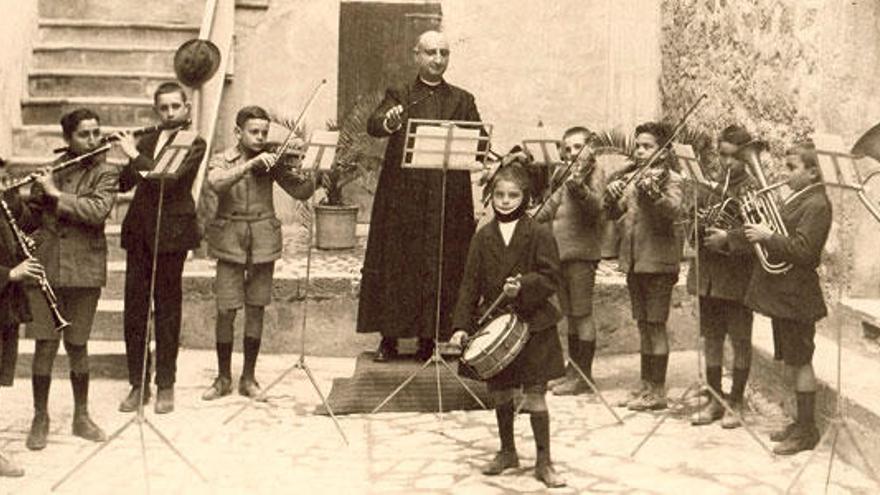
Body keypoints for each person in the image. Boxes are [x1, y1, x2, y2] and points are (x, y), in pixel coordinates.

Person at [358, 30, 482, 362]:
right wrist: (389, 120)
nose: (438, 59)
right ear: (416, 55)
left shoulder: (463, 99)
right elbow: (374, 124)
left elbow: (478, 142)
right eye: (430, 53)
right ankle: (390, 338)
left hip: (447, 199)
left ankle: (431, 339)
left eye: (444, 53)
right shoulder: (399, 93)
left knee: (442, 263)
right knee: (398, 263)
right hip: (404, 198)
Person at [450, 164, 566, 488]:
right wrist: (460, 326)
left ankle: (544, 461)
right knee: (501, 393)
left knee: (536, 395)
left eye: (513, 195)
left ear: (525, 197)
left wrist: (525, 286)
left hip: (535, 325)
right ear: (491, 197)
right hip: (497, 326)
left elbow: (552, 277)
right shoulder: (483, 236)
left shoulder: (539, 232)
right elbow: (469, 285)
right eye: (499, 194)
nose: (505, 201)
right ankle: (507, 451)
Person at [201, 105, 314, 401]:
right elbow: (215, 183)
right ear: (238, 132)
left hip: (263, 239)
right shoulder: (221, 159)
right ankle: (223, 377)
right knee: (226, 310)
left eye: (264, 132)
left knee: (256, 308)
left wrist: (315, 170)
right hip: (229, 239)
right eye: (254, 132)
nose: (261, 138)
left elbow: (300, 192)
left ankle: (248, 378)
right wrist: (250, 165)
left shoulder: (273, 162)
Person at [20, 109, 117, 451]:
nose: (93, 140)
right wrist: (21, 199)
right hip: (46, 265)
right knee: (44, 344)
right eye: (84, 134)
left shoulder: (106, 171)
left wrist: (55, 193)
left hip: (84, 268)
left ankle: (81, 416)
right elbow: (29, 217)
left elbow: (96, 212)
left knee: (77, 344)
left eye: (95, 133)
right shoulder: (53, 169)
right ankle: (40, 417)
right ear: (67, 139)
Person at [115, 81, 206, 414]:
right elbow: (126, 182)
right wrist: (117, 155)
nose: (169, 113)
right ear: (157, 110)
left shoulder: (193, 141)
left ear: (186, 108)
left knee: (167, 310)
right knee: (135, 311)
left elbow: (167, 180)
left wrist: (134, 155)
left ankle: (165, 384)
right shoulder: (150, 139)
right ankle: (138, 384)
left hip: (172, 235)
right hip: (139, 233)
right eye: (163, 108)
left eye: (174, 107)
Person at [743, 140, 831, 455]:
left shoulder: (818, 204)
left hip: (798, 297)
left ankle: (807, 430)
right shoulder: (800, 198)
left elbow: (806, 252)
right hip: (784, 295)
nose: (786, 173)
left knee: (802, 361)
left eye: (793, 168)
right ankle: (799, 422)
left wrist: (768, 235)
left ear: (813, 172)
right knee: (793, 362)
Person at [606, 122, 684, 411]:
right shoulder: (632, 178)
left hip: (659, 264)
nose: (640, 151)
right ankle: (645, 385)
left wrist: (654, 195)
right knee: (642, 326)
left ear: (663, 152)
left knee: (656, 326)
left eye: (647, 146)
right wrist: (611, 195)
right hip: (634, 263)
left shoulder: (672, 179)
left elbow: (674, 212)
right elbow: (614, 214)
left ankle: (659, 390)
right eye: (638, 146)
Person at [686, 125, 756, 428]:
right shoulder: (710, 187)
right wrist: (698, 221)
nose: (727, 162)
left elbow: (760, 232)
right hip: (710, 277)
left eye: (733, 157)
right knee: (712, 339)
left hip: (738, 278)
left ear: (744, 157)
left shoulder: (753, 188)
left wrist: (729, 238)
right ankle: (715, 398)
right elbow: (691, 233)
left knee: (740, 340)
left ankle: (737, 401)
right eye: (723, 155)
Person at [533, 127, 606, 396]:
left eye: (578, 147)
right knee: (571, 316)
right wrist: (530, 220)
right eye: (568, 148)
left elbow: (597, 207)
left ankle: (584, 377)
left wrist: (580, 189)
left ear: (590, 148)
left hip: (581, 254)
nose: (573, 153)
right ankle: (573, 369)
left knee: (582, 314)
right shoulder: (566, 175)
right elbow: (552, 205)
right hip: (561, 253)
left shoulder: (594, 173)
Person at [0, 170, 43, 476]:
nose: (5, 183)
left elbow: (27, 224)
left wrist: (16, 198)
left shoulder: (4, 204)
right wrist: (11, 274)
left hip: (5, 307)